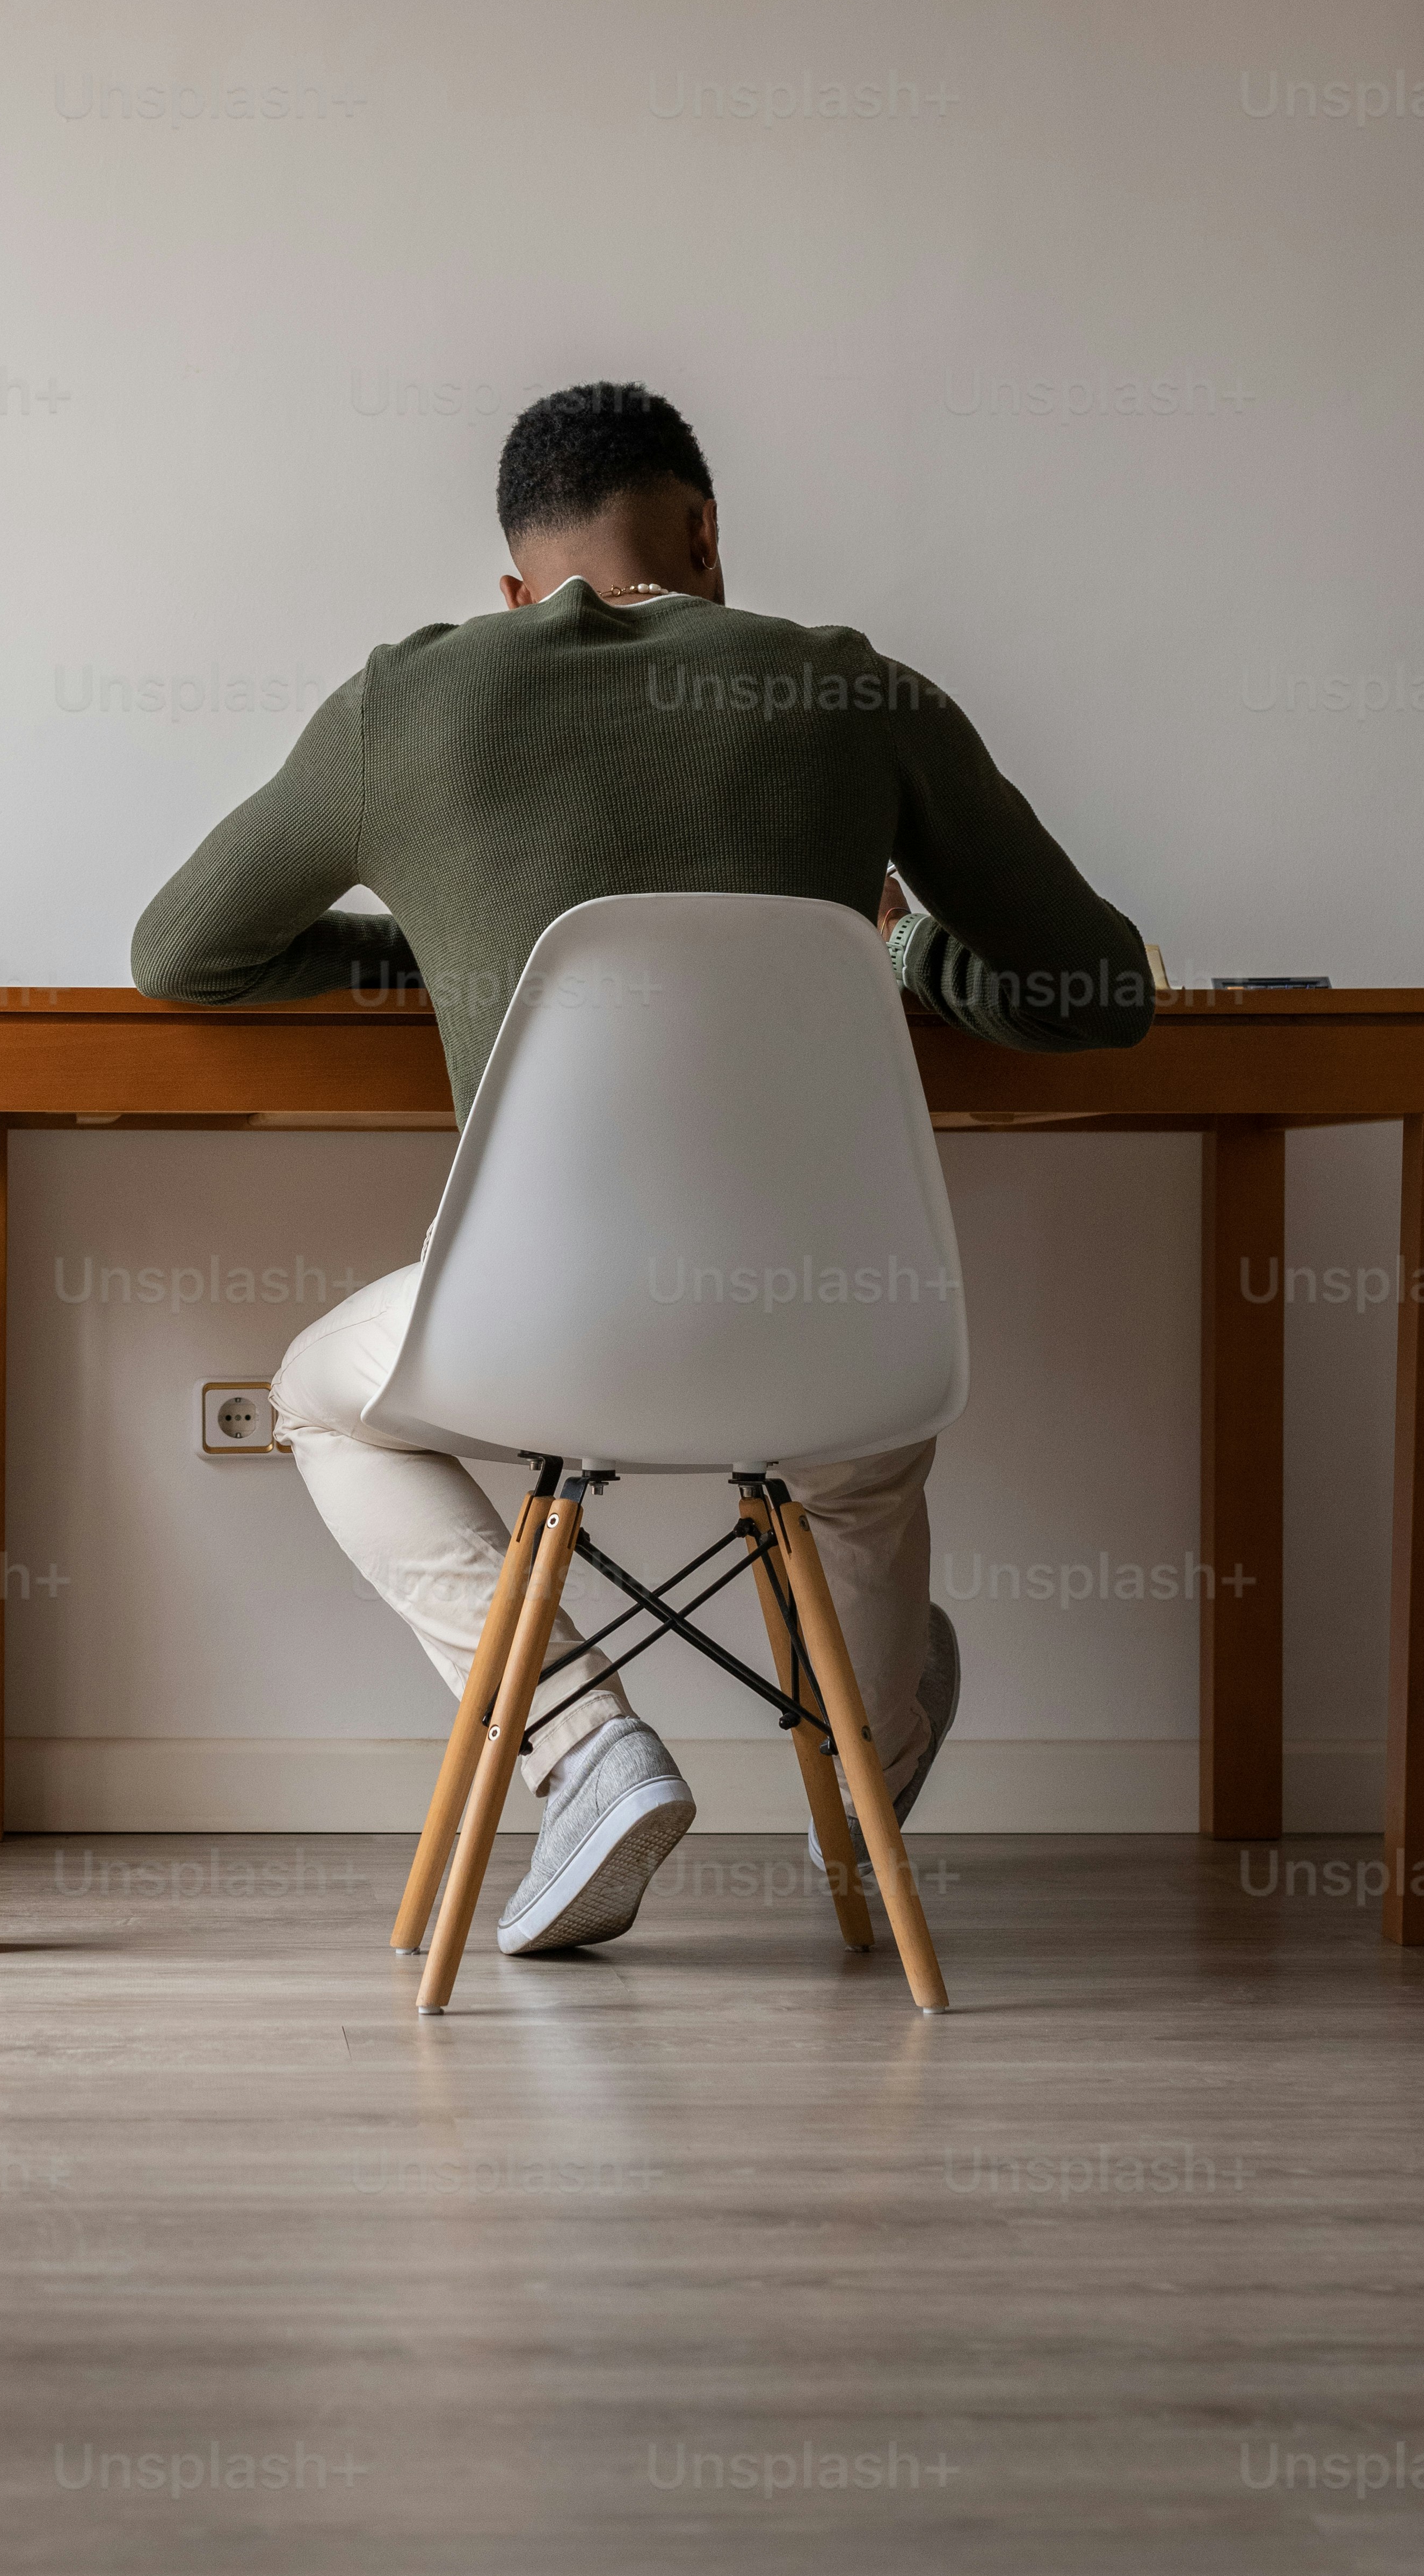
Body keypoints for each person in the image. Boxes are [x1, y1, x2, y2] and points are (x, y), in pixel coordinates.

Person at [130, 387, 1154, 1963]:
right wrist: (892, 946)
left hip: (529, 1334)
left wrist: (454, 964)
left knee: (314, 1391)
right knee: (858, 1441)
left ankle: (581, 1741)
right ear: (705, 539)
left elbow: (181, 955)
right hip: (827, 1323)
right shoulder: (846, 685)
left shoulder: (403, 705)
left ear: (511, 587)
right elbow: (1094, 987)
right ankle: (861, 1777)